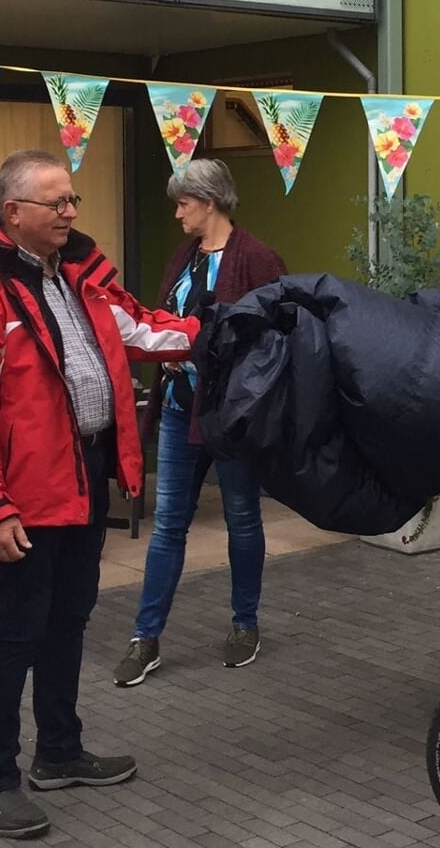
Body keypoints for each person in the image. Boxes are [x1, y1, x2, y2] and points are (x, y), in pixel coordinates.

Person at [0, 148, 198, 839]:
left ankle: (58, 751)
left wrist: (220, 329)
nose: (71, 213)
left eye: (73, 200)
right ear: (12, 212)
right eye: (57, 203)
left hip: (82, 477)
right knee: (16, 632)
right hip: (24, 495)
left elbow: (143, 332)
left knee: (69, 621)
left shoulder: (78, 281)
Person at [114, 159, 286, 687]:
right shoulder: (184, 258)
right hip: (178, 406)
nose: (177, 212)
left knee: (242, 517)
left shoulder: (257, 258)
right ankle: (146, 637)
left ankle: (244, 624)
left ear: (208, 202)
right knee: (168, 523)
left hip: (231, 413)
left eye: (183, 203)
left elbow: (279, 335)